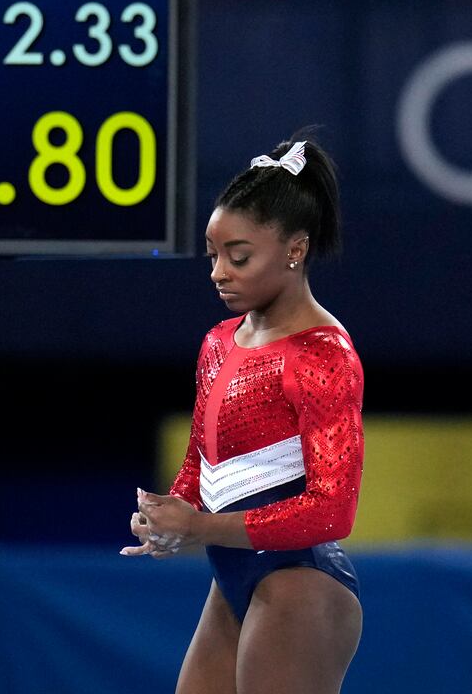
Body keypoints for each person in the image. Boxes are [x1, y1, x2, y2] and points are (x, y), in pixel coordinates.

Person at [121, 134, 364, 694]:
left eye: (239, 256)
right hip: (234, 581)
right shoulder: (218, 342)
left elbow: (333, 512)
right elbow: (200, 465)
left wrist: (200, 529)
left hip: (302, 583)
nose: (219, 272)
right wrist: (170, 516)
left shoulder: (322, 354)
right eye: (213, 254)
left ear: (294, 251)